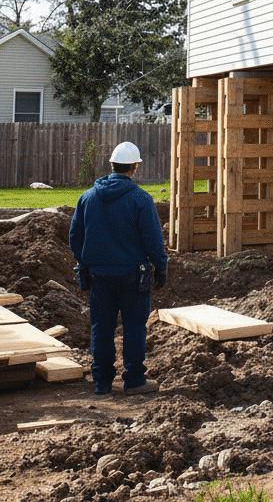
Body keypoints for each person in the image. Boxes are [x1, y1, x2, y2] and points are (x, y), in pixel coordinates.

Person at [69, 142, 168, 395]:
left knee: (101, 328)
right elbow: (153, 239)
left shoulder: (87, 197)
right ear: (135, 167)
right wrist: (161, 267)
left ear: (111, 165)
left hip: (99, 276)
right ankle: (134, 381)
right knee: (134, 327)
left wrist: (86, 263)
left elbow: (75, 236)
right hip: (133, 276)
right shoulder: (141, 199)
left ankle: (101, 382)